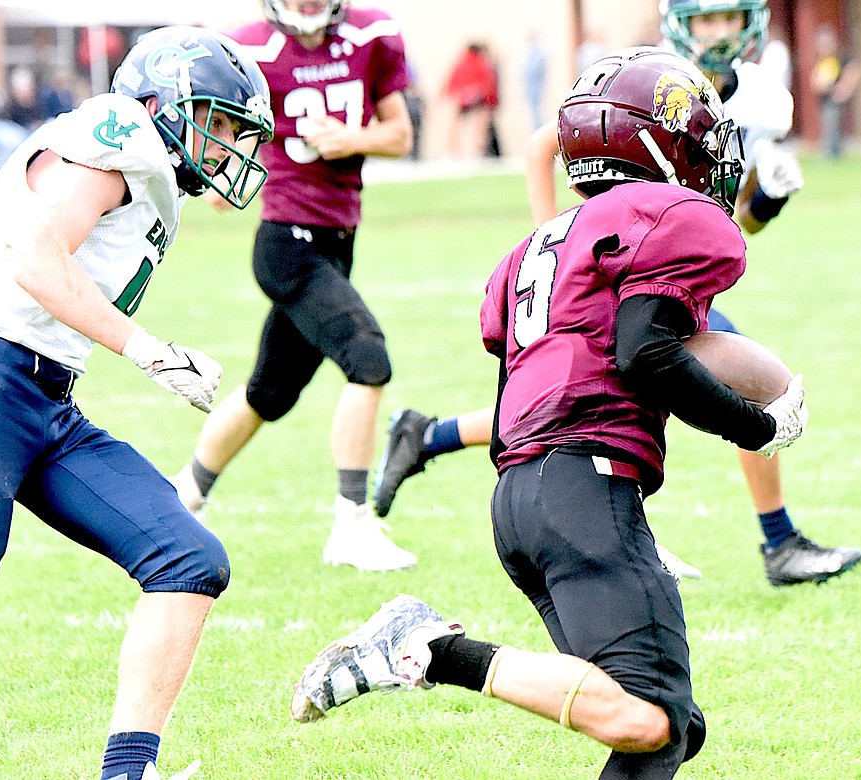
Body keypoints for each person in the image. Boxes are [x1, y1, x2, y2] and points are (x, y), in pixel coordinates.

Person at [289, 48, 809, 779]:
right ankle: (425, 647)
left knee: (661, 728)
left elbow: (522, 395)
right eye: (694, 135)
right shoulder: (672, 214)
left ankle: (424, 646)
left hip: (521, 499)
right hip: (582, 488)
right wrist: (760, 425)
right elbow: (645, 353)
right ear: (652, 142)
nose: (709, 153)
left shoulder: (535, 247)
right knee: (650, 715)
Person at [0, 26, 274, 780]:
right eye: (217, 123)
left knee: (188, 560)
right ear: (164, 100)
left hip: (44, 401)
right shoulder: (124, 134)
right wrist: (146, 348)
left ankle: (128, 772)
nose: (225, 147)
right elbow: (35, 261)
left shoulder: (150, 174)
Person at [373, 0, 861, 589]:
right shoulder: (650, 79)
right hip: (619, 260)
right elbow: (541, 147)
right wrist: (552, 242)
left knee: (603, 378)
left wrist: (767, 204)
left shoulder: (762, 98)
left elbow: (728, 218)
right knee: (665, 368)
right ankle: (777, 541)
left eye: (730, 19)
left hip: (665, 264)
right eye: (707, 20)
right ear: (681, 24)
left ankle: (427, 435)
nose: (719, 33)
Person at [168, 0, 416, 572]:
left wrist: (351, 137)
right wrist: (215, 173)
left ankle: (184, 494)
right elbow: (215, 131)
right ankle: (352, 523)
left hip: (335, 240)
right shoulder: (250, 47)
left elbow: (400, 135)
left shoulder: (371, 32)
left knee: (269, 392)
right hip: (286, 243)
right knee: (368, 359)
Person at [812, 24, 861, 160]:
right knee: (828, 123)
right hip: (825, 98)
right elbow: (815, 80)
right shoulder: (823, 61)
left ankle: (832, 151)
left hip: (835, 99)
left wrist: (844, 88)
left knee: (833, 123)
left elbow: (853, 71)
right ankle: (831, 150)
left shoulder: (841, 57)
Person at [443, 42, 499, 159]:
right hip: (478, 101)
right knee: (478, 126)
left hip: (464, 100)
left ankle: (453, 152)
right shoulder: (482, 64)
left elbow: (452, 83)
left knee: (457, 126)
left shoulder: (461, 63)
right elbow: (488, 85)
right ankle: (476, 152)